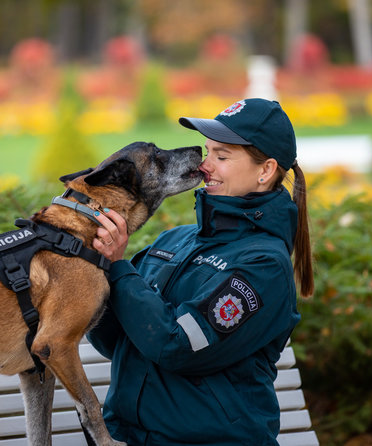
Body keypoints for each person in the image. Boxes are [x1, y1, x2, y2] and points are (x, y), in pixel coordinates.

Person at [88, 98, 314, 446]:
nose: (205, 166)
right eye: (209, 152)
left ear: (266, 171)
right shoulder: (174, 241)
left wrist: (118, 267)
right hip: (125, 437)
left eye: (222, 157)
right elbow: (113, 340)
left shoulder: (264, 267)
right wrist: (94, 265)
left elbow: (175, 345)